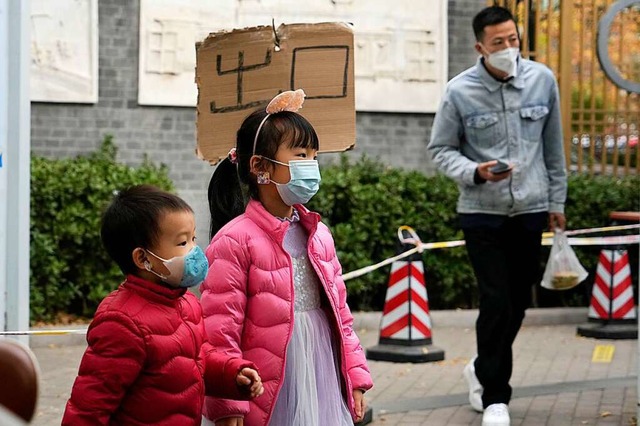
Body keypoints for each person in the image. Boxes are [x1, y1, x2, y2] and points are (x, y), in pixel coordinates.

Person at [427, 6, 567, 426]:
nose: (508, 49)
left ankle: (483, 365)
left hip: (531, 209)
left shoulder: (542, 80)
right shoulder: (459, 91)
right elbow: (440, 150)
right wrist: (473, 171)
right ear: (479, 47)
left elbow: (554, 149)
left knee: (519, 302)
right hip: (481, 213)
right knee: (496, 300)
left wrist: (557, 203)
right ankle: (495, 398)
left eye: (513, 40)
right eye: (498, 43)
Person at [201, 89, 373, 426]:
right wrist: (226, 401)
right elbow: (219, 330)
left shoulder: (318, 234)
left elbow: (341, 316)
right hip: (266, 377)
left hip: (320, 364)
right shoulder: (234, 240)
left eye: (313, 156)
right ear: (260, 167)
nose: (311, 166)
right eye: (300, 155)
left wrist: (355, 377)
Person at [62, 185, 264, 426]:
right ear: (143, 258)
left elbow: (194, 360)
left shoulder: (186, 302)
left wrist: (232, 374)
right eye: (182, 243)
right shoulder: (121, 322)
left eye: (193, 238)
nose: (194, 251)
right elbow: (89, 408)